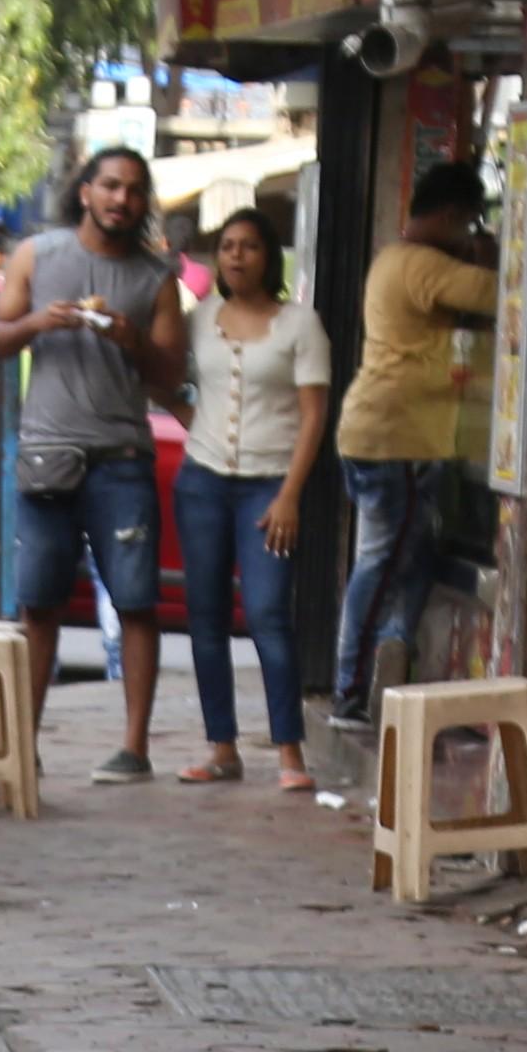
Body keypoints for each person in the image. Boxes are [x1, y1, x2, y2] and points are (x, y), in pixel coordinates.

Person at [0, 146, 186, 780]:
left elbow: (171, 379)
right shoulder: (37, 256)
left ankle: (135, 747)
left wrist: (132, 341)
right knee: (38, 605)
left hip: (122, 458)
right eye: (109, 186)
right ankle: (24, 744)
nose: (121, 199)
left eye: (133, 189)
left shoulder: (157, 279)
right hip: (46, 454)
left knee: (136, 602)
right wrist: (41, 323)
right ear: (85, 192)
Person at [170, 203, 331, 790]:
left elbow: (314, 416)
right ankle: (222, 749)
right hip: (203, 482)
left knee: (266, 614)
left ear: (271, 257)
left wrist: (291, 494)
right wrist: (198, 423)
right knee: (206, 616)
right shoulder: (201, 317)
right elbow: (170, 381)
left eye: (251, 246)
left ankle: (290, 754)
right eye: (229, 246)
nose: (237, 255)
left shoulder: (299, 325)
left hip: (270, 486)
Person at [333, 157, 498, 722]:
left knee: (408, 557)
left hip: (386, 433)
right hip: (394, 439)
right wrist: (494, 253)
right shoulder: (422, 265)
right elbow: (506, 293)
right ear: (452, 215)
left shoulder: (394, 260)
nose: (470, 234)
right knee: (380, 565)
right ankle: (349, 693)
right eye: (470, 223)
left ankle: (386, 665)